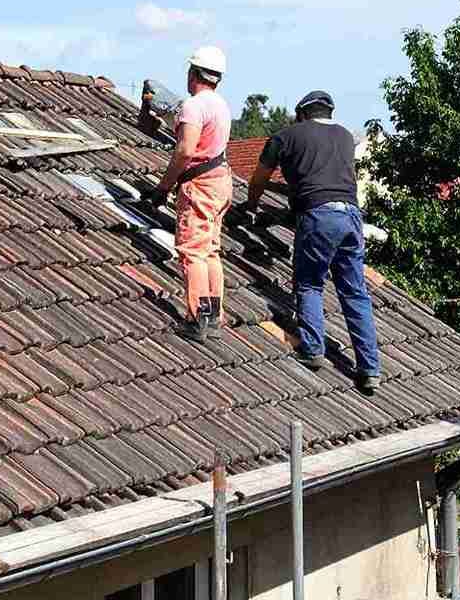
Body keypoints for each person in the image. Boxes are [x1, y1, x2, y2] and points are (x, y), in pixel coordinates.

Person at [240, 91, 382, 394]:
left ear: (301, 113)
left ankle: (313, 349)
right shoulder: (345, 137)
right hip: (351, 216)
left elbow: (259, 178)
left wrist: (250, 207)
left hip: (319, 217)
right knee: (355, 293)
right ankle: (370, 368)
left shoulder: (287, 135)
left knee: (309, 283)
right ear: (328, 113)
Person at [148, 46, 233, 342]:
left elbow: (185, 151)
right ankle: (212, 316)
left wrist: (163, 187)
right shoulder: (221, 105)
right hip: (221, 182)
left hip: (201, 184)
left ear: (193, 73)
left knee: (192, 250)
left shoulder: (193, 106)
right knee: (210, 250)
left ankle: (197, 318)